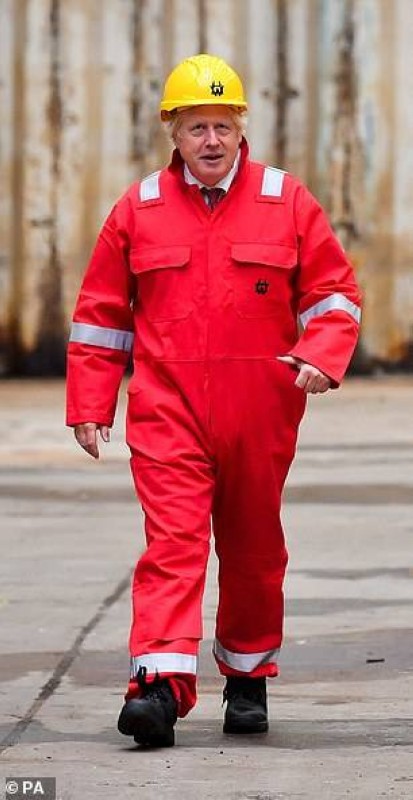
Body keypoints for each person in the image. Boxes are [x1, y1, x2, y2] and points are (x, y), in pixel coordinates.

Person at [66, 54, 361, 748]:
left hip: (261, 412)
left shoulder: (286, 200)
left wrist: (321, 356)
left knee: (253, 548)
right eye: (196, 126)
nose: (210, 140)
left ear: (240, 129)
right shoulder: (137, 209)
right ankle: (157, 688)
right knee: (172, 546)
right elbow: (101, 314)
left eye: (222, 126)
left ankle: (248, 677)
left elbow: (333, 294)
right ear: (172, 131)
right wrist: (90, 403)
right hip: (167, 411)